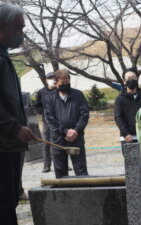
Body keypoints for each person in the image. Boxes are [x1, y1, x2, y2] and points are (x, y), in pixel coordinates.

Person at [0, 3, 36, 224]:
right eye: (18, 28)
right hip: (2, 146)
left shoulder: (3, 57)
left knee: (10, 201)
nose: (21, 34)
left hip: (9, 144)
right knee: (3, 206)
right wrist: (14, 127)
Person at [44, 69, 89, 178]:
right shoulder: (49, 98)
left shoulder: (78, 95)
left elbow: (84, 114)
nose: (65, 85)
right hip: (58, 140)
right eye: (62, 83)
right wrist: (65, 131)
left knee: (81, 170)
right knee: (60, 172)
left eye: (67, 82)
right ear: (56, 83)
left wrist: (76, 130)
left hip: (76, 137)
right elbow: (50, 119)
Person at [114, 68, 141, 173]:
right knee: (132, 168)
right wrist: (126, 133)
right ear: (124, 81)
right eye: (128, 78)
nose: (131, 80)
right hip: (128, 138)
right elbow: (118, 118)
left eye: (133, 78)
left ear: (137, 79)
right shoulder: (119, 99)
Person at [35, 72, 57, 172]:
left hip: (59, 120)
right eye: (50, 78)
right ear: (46, 80)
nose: (52, 79)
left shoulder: (59, 90)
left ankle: (60, 162)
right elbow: (37, 105)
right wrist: (42, 112)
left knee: (59, 142)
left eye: (53, 77)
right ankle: (46, 165)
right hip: (46, 121)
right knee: (46, 142)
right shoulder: (41, 92)